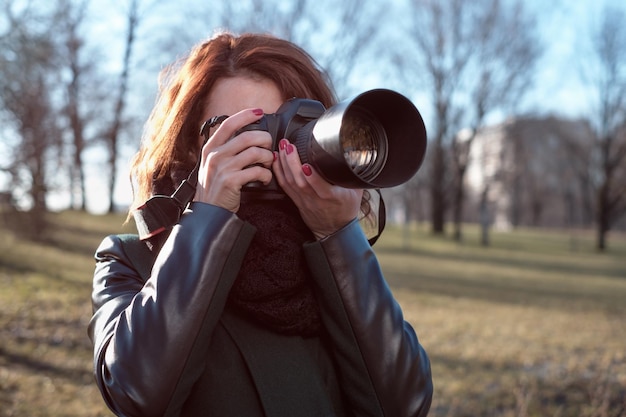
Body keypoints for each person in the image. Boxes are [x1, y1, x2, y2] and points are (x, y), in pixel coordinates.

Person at [88, 31, 432, 417]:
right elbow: (135, 394)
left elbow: (406, 405)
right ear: (191, 146)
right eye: (240, 130)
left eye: (292, 127)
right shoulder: (130, 260)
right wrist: (210, 215)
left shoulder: (331, 256)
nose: (269, 148)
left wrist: (338, 237)